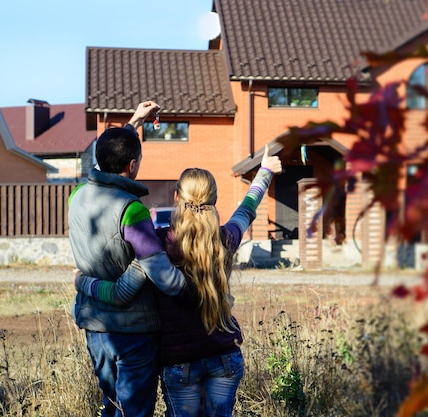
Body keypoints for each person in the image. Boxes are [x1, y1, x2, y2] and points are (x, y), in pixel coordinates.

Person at [75, 144, 283, 417]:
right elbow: (247, 210)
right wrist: (265, 172)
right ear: (214, 200)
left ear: (176, 197)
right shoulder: (224, 240)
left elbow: (123, 289)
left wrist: (83, 282)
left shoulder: (158, 244)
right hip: (225, 357)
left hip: (180, 361)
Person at [68, 100, 186, 417]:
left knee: (112, 405)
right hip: (133, 332)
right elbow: (164, 277)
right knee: (133, 410)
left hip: (95, 325)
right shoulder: (130, 208)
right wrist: (199, 288)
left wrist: (134, 121)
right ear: (132, 166)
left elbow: (108, 159)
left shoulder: (76, 195)